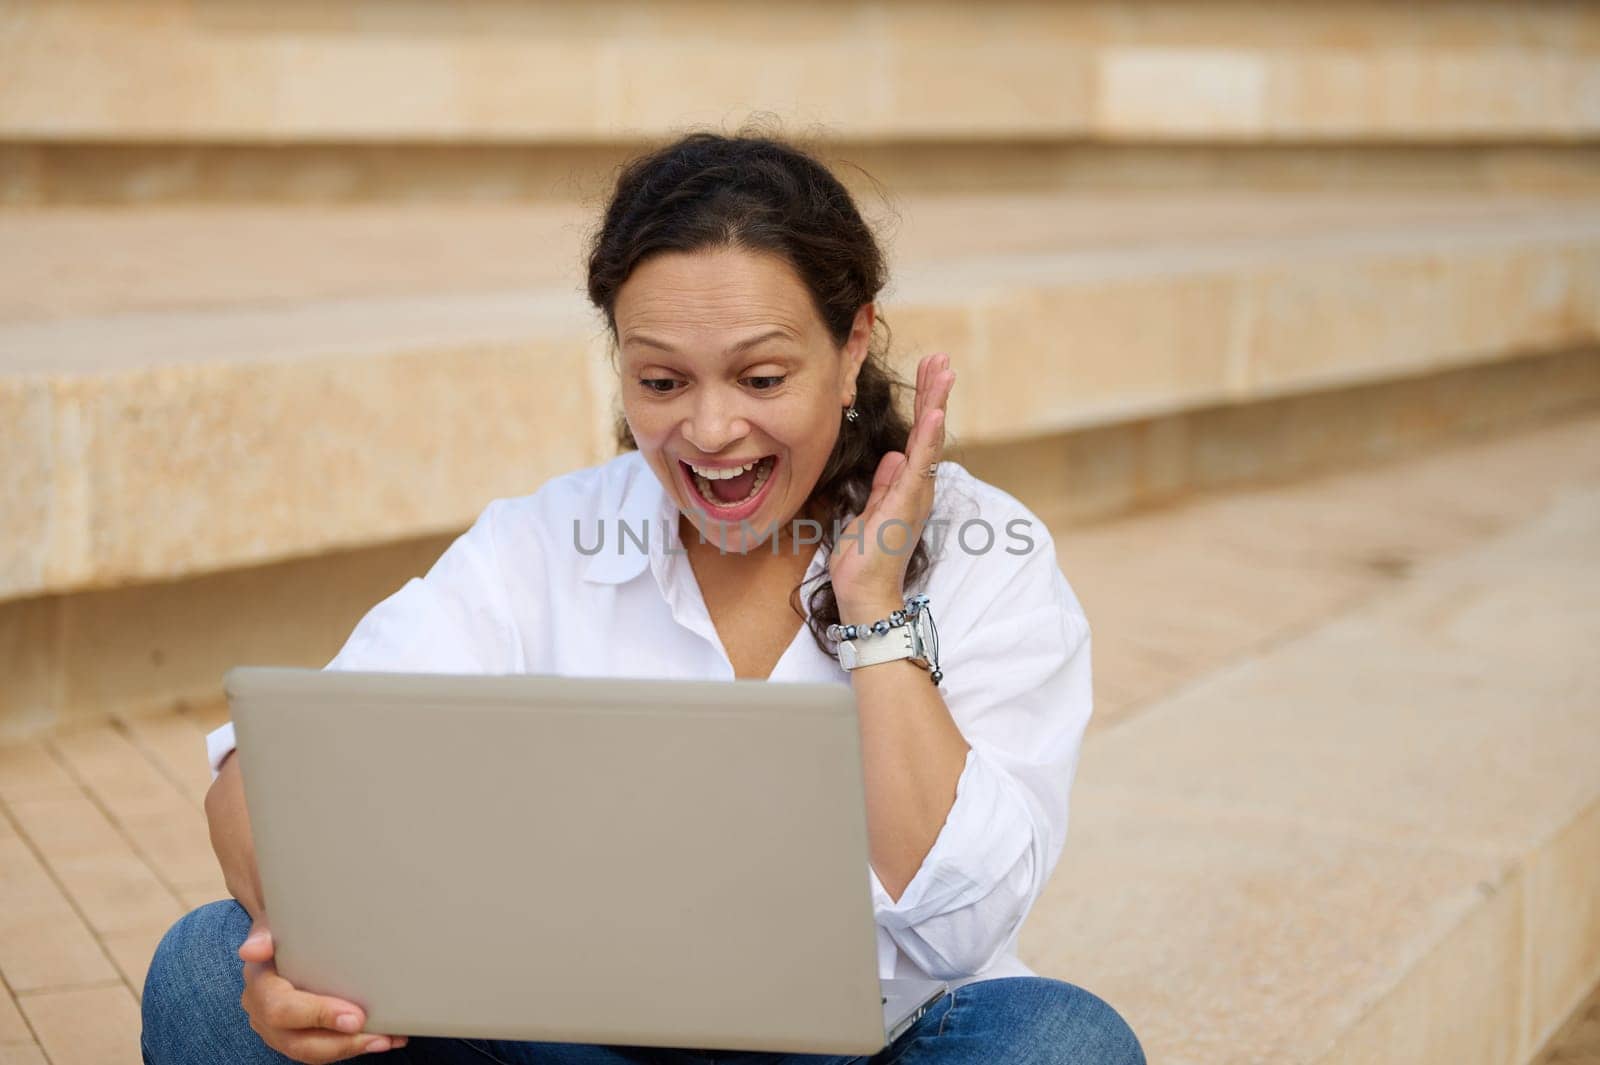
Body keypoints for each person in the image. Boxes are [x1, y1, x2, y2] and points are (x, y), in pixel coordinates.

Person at [140, 130, 1145, 1065]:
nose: (709, 431)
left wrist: (874, 608)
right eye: (661, 382)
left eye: (760, 376)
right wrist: (296, 946)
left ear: (851, 346)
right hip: (572, 1039)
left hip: (867, 1044)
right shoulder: (543, 540)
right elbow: (266, 779)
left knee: (1063, 1041)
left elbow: (966, 921)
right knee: (205, 969)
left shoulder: (986, 551)